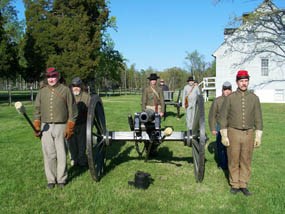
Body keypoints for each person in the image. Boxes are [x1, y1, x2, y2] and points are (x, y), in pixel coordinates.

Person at [219, 70, 263, 196]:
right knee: (233, 159)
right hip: (233, 132)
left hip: (249, 133)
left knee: (246, 159)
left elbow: (258, 118)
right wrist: (224, 135)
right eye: (241, 81)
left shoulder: (254, 98)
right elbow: (223, 117)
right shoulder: (230, 98)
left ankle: (243, 184)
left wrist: (258, 136)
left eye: (246, 81)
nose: (244, 83)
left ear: (248, 81)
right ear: (237, 82)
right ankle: (234, 184)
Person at [33, 67, 78, 189]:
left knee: (62, 153)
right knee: (49, 154)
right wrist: (37, 124)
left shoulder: (65, 90)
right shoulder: (42, 92)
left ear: (58, 77)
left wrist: (70, 126)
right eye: (48, 77)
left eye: (53, 76)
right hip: (45, 127)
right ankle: (51, 180)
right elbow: (37, 109)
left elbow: (73, 110)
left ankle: (61, 179)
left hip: (61, 126)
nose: (51, 79)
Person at [208, 81, 232, 170]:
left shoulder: (234, 99)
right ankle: (222, 164)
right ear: (222, 90)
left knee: (231, 146)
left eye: (229, 89)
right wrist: (213, 128)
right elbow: (212, 115)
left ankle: (230, 164)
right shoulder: (217, 101)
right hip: (220, 126)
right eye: (225, 90)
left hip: (232, 126)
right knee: (221, 146)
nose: (227, 91)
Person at [68, 77, 90, 167]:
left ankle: (82, 160)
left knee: (82, 144)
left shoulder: (86, 96)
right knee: (71, 143)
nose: (75, 88)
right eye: (74, 86)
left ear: (81, 86)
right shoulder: (68, 96)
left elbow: (91, 112)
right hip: (70, 124)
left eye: (77, 86)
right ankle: (74, 159)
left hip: (82, 123)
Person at [141, 73, 165, 157]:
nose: (153, 81)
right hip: (148, 109)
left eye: (154, 80)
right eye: (152, 80)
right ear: (150, 81)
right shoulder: (146, 89)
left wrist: (162, 111)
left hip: (157, 109)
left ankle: (154, 147)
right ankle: (148, 147)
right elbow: (143, 101)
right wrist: (144, 111)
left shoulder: (159, 89)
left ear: (156, 80)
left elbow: (162, 101)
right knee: (148, 127)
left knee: (157, 127)